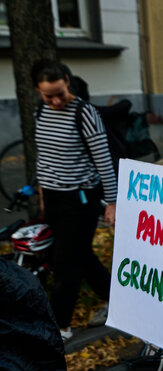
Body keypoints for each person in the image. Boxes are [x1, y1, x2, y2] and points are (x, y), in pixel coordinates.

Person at [30, 60, 117, 342]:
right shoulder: (40, 110)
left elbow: (104, 160)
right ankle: (115, 299)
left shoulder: (84, 112)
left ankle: (60, 326)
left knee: (66, 260)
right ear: (38, 92)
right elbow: (44, 155)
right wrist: (43, 193)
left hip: (80, 196)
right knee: (78, 253)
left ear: (68, 81)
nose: (55, 101)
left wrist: (113, 201)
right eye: (48, 95)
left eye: (60, 93)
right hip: (54, 195)